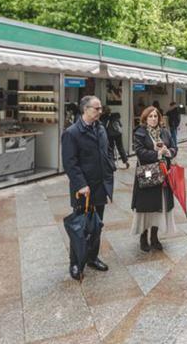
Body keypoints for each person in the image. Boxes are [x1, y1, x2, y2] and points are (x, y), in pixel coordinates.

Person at [61, 95, 114, 280]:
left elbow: (107, 151)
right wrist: (81, 184)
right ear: (85, 109)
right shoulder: (72, 132)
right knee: (80, 227)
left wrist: (110, 168)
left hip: (100, 187)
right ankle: (75, 263)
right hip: (83, 189)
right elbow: (69, 163)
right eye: (96, 108)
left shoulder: (100, 129)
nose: (100, 111)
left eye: (100, 108)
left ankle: (92, 257)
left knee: (96, 225)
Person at [131, 106, 177, 252]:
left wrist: (168, 152)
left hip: (164, 173)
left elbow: (175, 147)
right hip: (147, 173)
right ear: (145, 118)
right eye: (150, 116)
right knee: (146, 206)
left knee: (159, 206)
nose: (153, 119)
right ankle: (143, 237)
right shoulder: (140, 133)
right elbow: (139, 152)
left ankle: (155, 237)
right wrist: (157, 154)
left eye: (155, 116)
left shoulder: (165, 132)